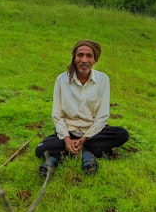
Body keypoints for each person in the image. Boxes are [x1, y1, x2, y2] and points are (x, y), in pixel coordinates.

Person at [35, 39, 129, 176]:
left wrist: (85, 138)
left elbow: (102, 116)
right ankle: (87, 153)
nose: (84, 60)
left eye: (89, 56)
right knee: (40, 149)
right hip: (69, 130)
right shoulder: (62, 80)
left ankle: (66, 154)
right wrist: (67, 139)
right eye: (80, 55)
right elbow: (57, 115)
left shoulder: (103, 80)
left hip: (92, 133)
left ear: (95, 60)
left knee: (121, 134)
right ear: (74, 58)